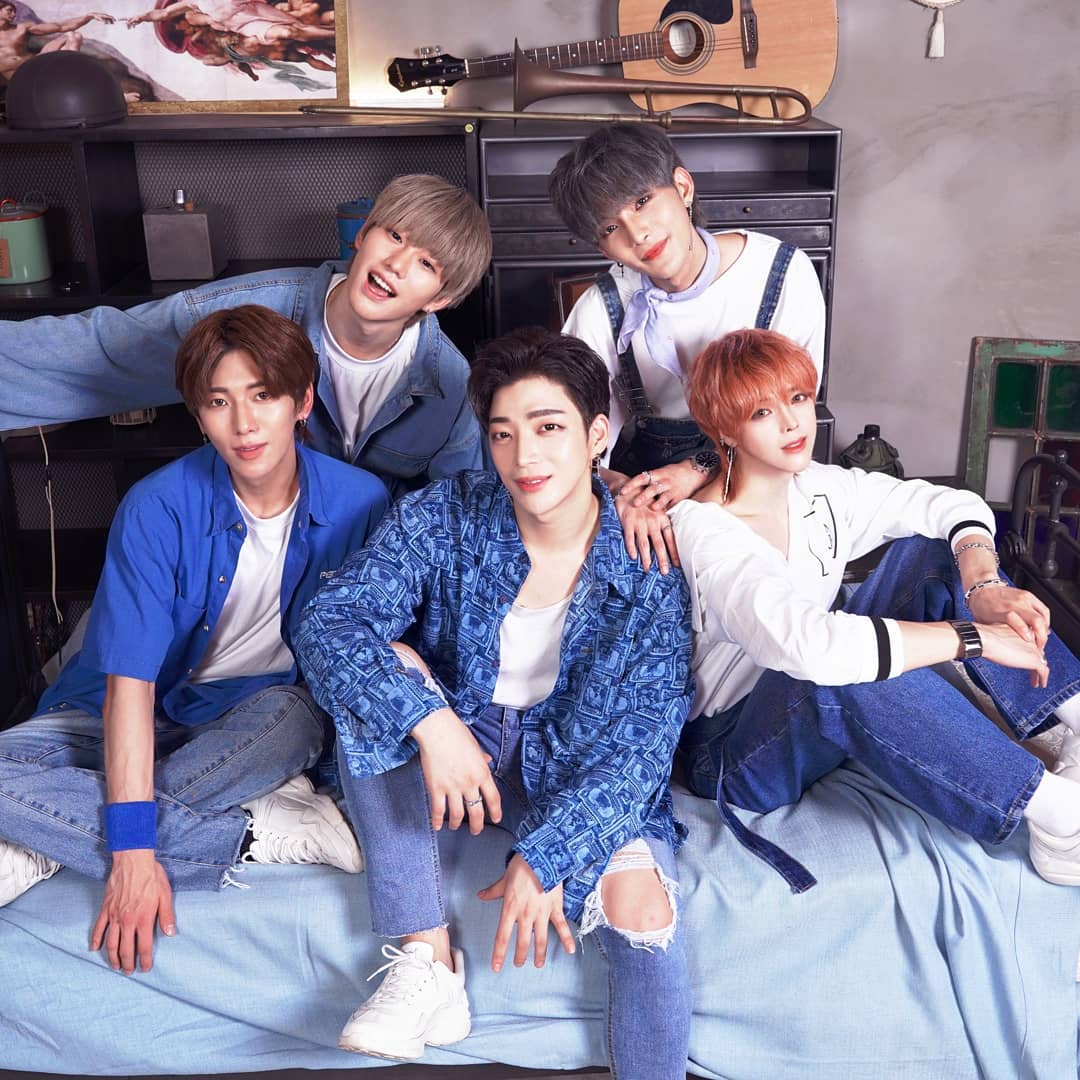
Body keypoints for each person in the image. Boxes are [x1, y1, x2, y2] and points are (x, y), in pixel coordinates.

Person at [295, 328, 695, 1076]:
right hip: (463, 744)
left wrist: (545, 858)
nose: (524, 457)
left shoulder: (647, 558)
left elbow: (642, 747)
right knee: (387, 674)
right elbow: (329, 624)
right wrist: (432, 722)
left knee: (646, 916)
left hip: (578, 760)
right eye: (503, 434)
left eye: (548, 429)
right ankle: (426, 962)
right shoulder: (445, 514)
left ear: (596, 436)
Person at [0, 305, 389, 976]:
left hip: (261, 714)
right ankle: (250, 833)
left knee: (298, 716)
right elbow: (129, 688)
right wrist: (130, 855)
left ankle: (44, 839)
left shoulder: (361, 502)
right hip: (116, 710)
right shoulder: (156, 507)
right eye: (218, 402)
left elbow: (364, 652)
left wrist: (117, 832)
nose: (244, 425)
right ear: (198, 414)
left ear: (302, 402)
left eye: (263, 396)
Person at [670, 327, 1080, 892]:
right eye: (762, 412)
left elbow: (947, 502)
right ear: (724, 430)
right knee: (835, 667)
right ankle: (1060, 818)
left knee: (931, 551)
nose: (792, 423)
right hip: (733, 752)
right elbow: (807, 648)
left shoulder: (817, 485)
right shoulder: (704, 530)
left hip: (798, 691)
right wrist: (971, 636)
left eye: (797, 398)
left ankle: (1075, 716)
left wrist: (982, 583)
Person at [0, 174, 492, 501]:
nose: (396, 264)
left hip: (374, 582)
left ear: (441, 299)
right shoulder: (248, 313)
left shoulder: (452, 387)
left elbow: (462, 519)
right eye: (395, 236)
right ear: (362, 235)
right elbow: (103, 350)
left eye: (426, 264)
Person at [548, 123, 826, 573]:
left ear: (682, 186)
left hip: (763, 474)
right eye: (611, 227)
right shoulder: (602, 308)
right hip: (649, 489)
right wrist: (623, 494)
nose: (638, 233)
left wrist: (696, 470)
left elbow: (792, 420)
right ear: (602, 247)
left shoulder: (781, 274)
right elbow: (573, 443)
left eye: (643, 201)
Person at [0, 2, 115, 81]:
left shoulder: (21, 28)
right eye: (9, 10)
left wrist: (88, 17)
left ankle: (70, 76)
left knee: (73, 36)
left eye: (14, 11)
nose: (13, 14)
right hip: (15, 76)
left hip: (32, 65)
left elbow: (61, 26)